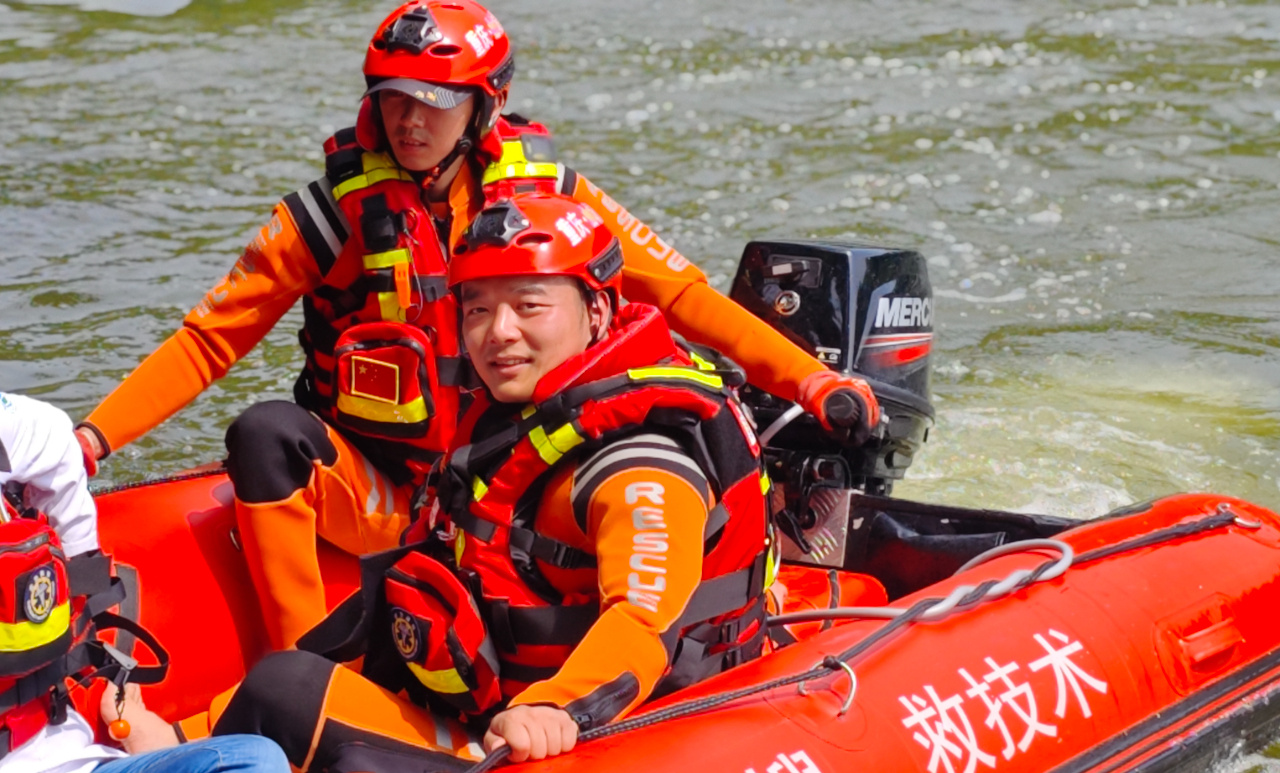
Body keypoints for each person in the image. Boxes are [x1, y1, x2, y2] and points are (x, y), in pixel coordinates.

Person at [74, 0, 881, 651]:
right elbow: (209, 339)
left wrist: (810, 380)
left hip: (516, 478)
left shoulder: (555, 204)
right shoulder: (328, 218)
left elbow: (680, 295)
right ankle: (304, 666)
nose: (409, 121)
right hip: (389, 485)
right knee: (264, 434)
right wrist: (92, 439)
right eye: (392, 99)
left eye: (434, 102)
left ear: (483, 105)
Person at [112, 192, 776, 768]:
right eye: (479, 310)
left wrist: (553, 708)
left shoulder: (639, 466)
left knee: (284, 689)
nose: (499, 332)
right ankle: (188, 741)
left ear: (597, 312)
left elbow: (642, 620)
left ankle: (181, 747)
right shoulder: (526, 409)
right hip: (487, 681)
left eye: (529, 305)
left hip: (562, 729)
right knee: (323, 646)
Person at [0, 391, 289, 773]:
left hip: (61, 754)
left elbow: (48, 436)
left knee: (257, 759)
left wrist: (82, 581)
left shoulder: (18, 429)